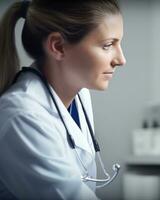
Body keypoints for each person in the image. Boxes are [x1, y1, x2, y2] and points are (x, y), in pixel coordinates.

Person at [0, 0, 125, 199]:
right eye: (108, 45)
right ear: (58, 46)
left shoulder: (80, 95)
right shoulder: (21, 116)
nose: (121, 59)